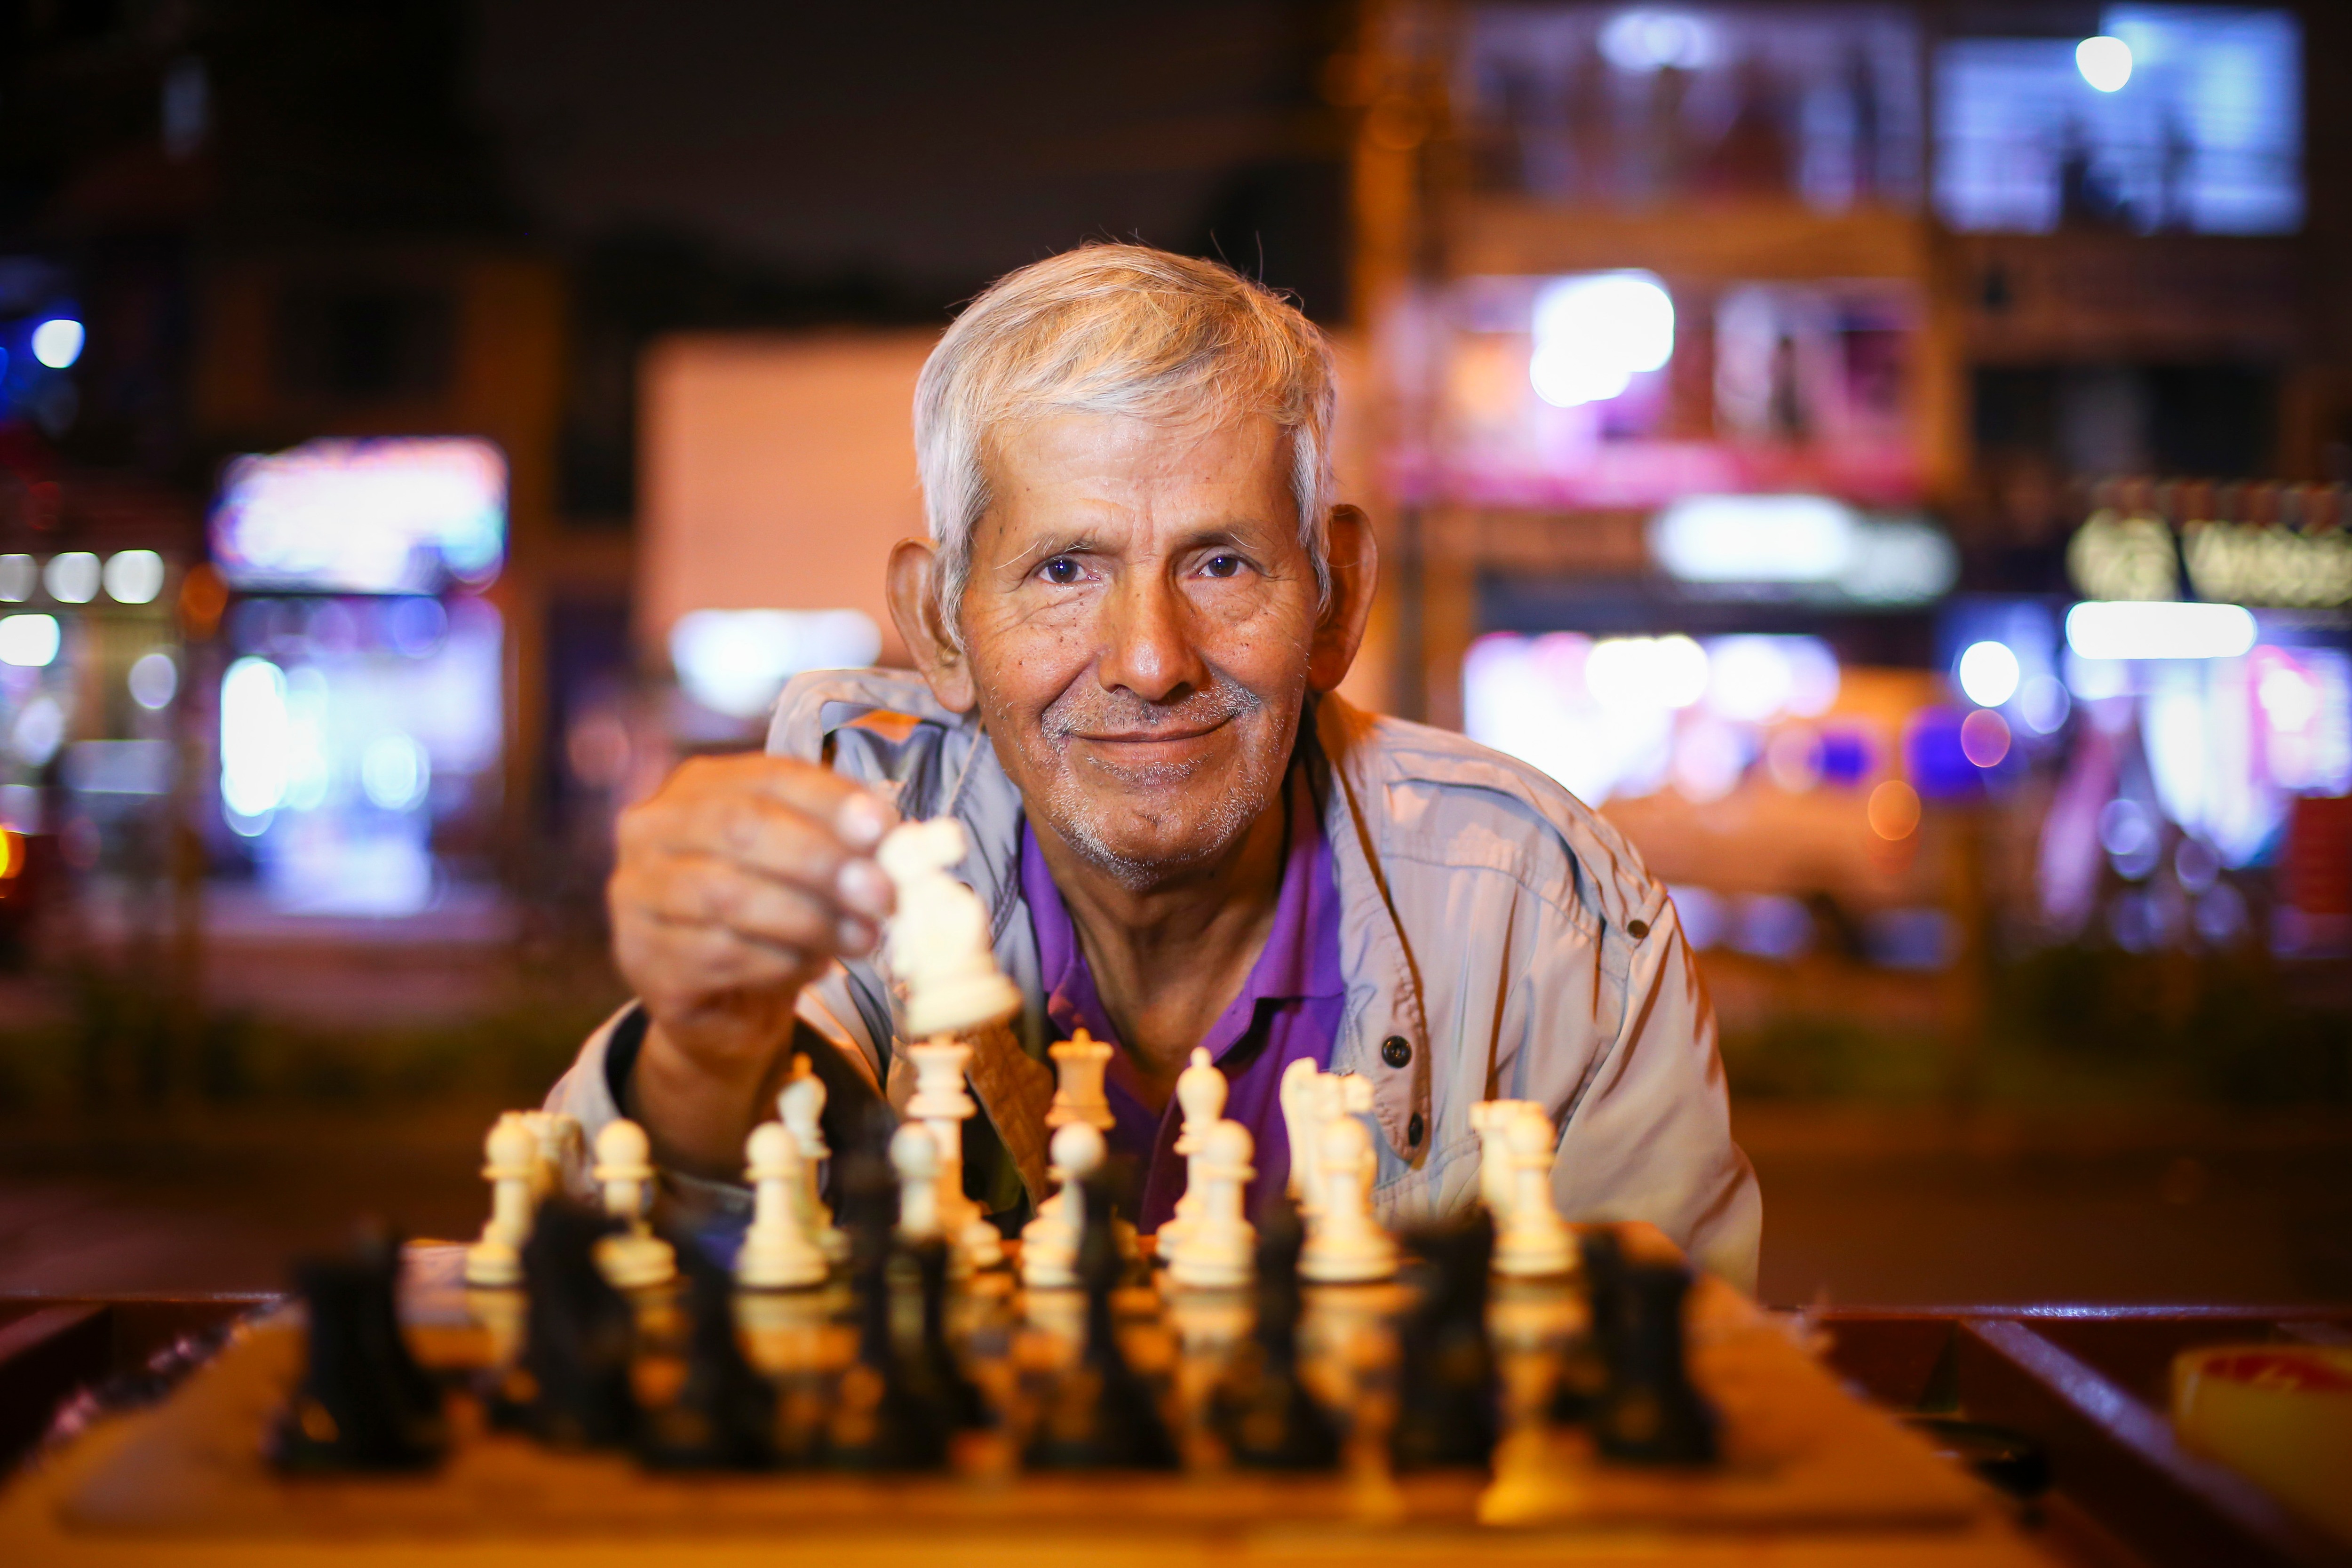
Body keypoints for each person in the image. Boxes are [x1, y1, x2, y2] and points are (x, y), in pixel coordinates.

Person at [548, 244, 1760, 1289]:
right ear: (938, 628)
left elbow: (1683, 1402)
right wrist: (707, 1049)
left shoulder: (1548, 919)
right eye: (1064, 568)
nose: (1149, 660)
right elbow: (611, 1274)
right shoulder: (853, 870)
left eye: (1222, 564)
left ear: (1333, 601)